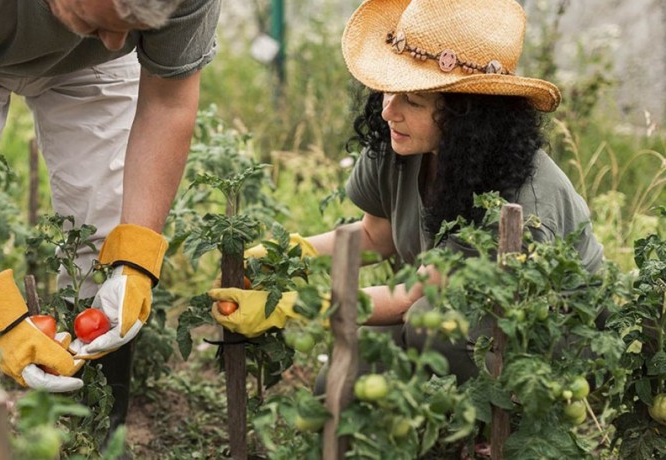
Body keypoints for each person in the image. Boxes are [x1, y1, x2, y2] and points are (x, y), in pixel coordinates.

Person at [0, 0, 221, 457]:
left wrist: (135, 260)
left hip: (88, 68)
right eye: (103, 22)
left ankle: (96, 446)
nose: (118, 42)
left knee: (105, 235)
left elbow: (168, 101)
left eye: (132, 28)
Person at [208, 0, 603, 388]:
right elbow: (374, 237)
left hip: (539, 343)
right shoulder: (403, 141)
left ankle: (489, 428)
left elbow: (411, 297)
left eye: (412, 100)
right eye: (387, 91)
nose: (388, 111)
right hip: (438, 312)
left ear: (468, 117)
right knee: (337, 391)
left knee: (427, 324)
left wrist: (289, 306)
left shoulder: (519, 199)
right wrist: (293, 253)